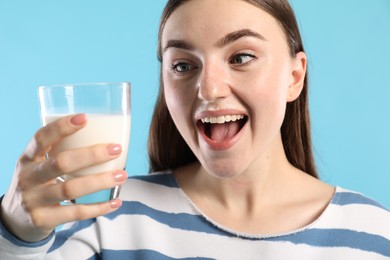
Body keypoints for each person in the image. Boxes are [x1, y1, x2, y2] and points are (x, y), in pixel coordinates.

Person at [1, 0, 389, 259]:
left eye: (241, 57)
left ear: (294, 75)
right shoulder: (106, 217)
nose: (208, 89)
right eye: (183, 65)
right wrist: (16, 232)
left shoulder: (374, 234)